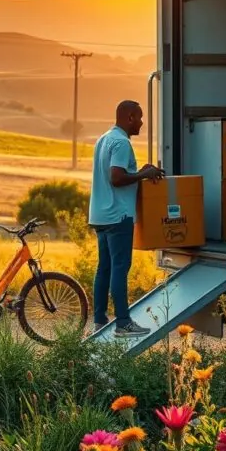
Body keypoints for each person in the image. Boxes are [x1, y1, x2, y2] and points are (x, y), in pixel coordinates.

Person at [88, 100, 164, 335]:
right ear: (130, 117)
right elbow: (117, 177)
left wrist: (140, 172)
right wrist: (143, 175)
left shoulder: (104, 139)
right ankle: (123, 323)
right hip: (118, 215)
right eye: (139, 118)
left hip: (100, 215)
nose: (142, 122)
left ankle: (100, 320)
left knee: (105, 268)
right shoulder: (122, 142)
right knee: (120, 268)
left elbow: (117, 174)